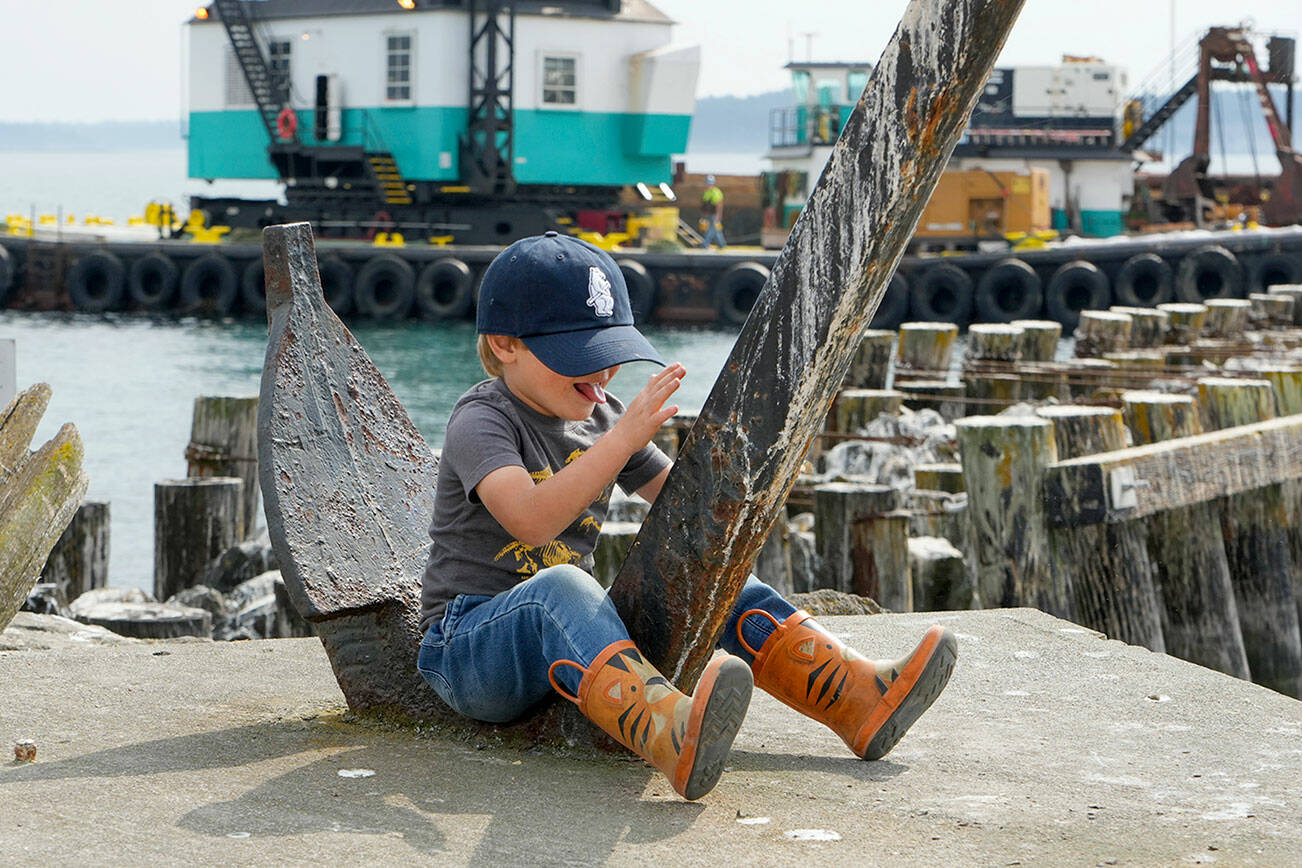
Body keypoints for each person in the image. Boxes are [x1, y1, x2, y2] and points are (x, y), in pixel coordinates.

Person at [416, 231, 956, 800]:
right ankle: (667, 729)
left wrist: (753, 475)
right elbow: (530, 521)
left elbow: (687, 511)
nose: (600, 376)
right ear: (506, 344)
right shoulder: (482, 420)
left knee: (698, 564)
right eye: (579, 356)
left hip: (572, 649)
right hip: (468, 648)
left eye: (609, 356)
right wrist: (623, 439)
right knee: (562, 587)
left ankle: (855, 696)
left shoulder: (603, 417)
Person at [700, 175, 727, 249]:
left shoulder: (716, 192)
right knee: (716, 230)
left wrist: (718, 215)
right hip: (708, 214)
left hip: (714, 214)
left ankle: (705, 243)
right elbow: (704, 204)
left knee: (711, 229)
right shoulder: (706, 192)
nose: (709, 185)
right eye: (708, 183)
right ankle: (721, 244)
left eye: (710, 183)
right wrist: (703, 215)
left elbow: (719, 204)